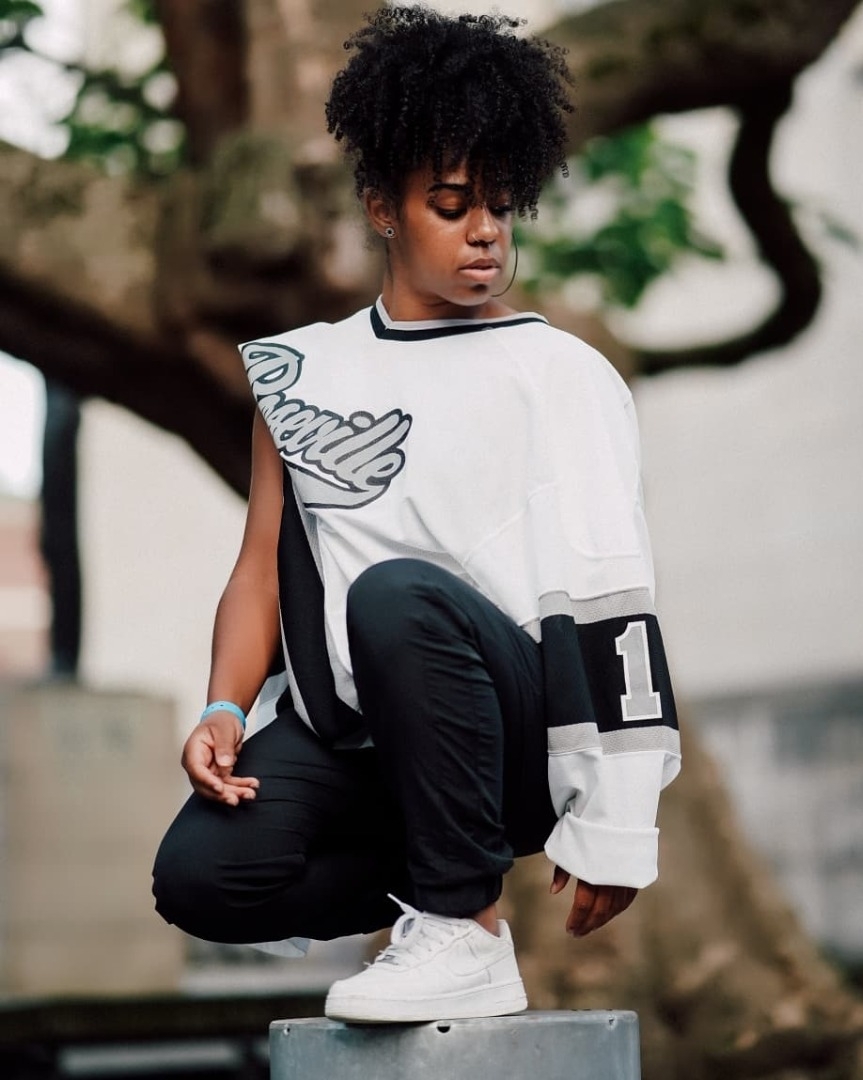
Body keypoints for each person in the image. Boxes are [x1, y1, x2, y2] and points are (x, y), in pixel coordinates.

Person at [152, 5, 680, 1025]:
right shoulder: (300, 373)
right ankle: (435, 884)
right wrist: (224, 709)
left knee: (397, 595)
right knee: (203, 880)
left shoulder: (557, 373)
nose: (485, 231)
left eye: (501, 207)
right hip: (360, 740)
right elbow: (258, 567)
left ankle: (463, 927)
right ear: (381, 208)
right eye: (450, 204)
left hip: (513, 737)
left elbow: (613, 596)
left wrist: (616, 822)